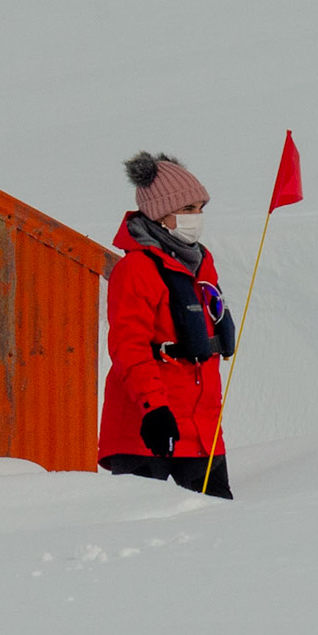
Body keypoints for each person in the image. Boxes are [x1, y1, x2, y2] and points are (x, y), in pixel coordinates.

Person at [99, 152, 238, 498]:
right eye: (188, 208)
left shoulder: (201, 264)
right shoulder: (136, 269)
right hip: (147, 430)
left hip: (201, 433)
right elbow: (129, 347)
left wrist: (211, 426)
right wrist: (154, 409)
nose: (197, 217)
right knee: (144, 525)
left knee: (220, 522)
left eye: (200, 208)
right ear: (160, 213)